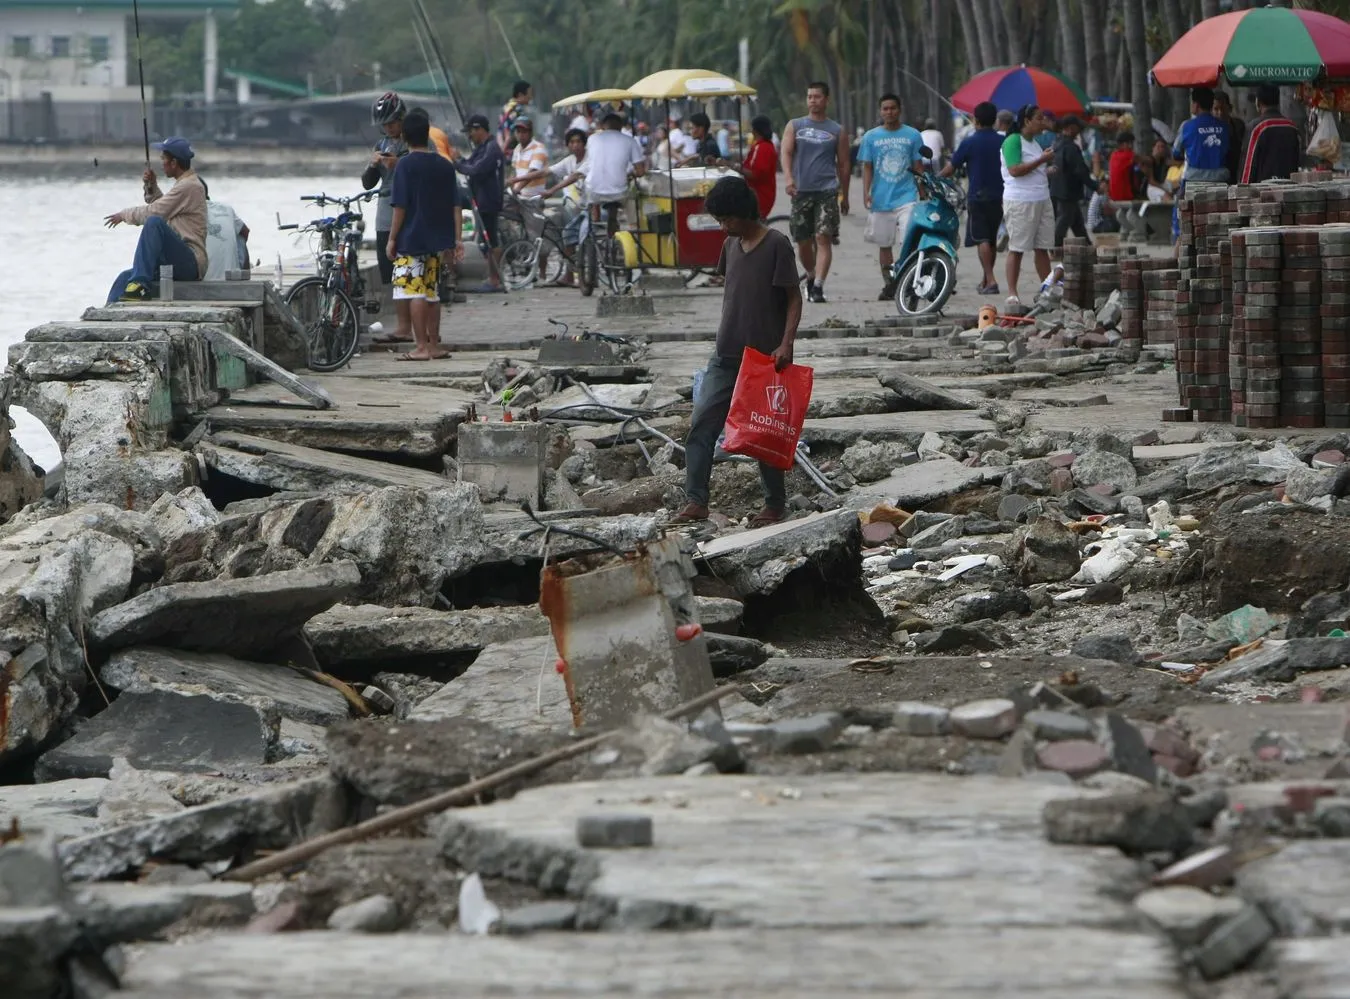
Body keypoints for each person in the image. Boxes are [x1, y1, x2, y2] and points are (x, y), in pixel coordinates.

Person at [672, 176, 801, 529]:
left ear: (744, 213)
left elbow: (793, 298)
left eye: (727, 219)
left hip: (763, 359)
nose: (724, 226)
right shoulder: (730, 246)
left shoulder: (776, 244)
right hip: (725, 355)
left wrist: (786, 342)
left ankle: (775, 503)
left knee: (764, 433)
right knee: (702, 424)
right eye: (720, 221)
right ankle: (696, 499)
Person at [385, 109, 462, 360]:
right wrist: (457, 239)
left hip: (411, 238)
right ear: (428, 134)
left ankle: (420, 347)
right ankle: (433, 345)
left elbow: (400, 207)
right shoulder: (444, 164)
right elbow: (456, 205)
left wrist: (392, 238)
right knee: (432, 292)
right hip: (437, 239)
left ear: (405, 136)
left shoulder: (405, 165)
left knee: (415, 292)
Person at [104, 136, 207, 303]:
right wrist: (151, 186)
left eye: (163, 159)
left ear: (174, 163)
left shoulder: (189, 186)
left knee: (153, 222)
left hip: (191, 263)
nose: (161, 163)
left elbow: (155, 213)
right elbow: (166, 208)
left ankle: (140, 284)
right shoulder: (185, 185)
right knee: (124, 278)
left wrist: (124, 215)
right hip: (175, 260)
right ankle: (108, 317)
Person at [781, 81, 850, 304]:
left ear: (826, 100)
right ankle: (810, 275)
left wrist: (845, 195)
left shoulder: (836, 130)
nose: (813, 101)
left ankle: (819, 285)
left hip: (827, 191)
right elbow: (787, 152)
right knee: (803, 240)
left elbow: (844, 165)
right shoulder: (795, 125)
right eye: (810, 96)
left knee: (823, 237)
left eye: (817, 97)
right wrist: (789, 178)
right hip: (801, 191)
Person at [858, 93, 925, 301]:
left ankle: (909, 281)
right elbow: (867, 167)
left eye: (893, 108)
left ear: (900, 110)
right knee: (885, 244)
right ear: (880, 111)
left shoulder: (913, 135)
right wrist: (866, 192)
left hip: (907, 198)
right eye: (885, 109)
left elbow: (918, 166)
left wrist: (923, 191)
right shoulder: (870, 137)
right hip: (881, 200)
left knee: (909, 241)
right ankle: (890, 284)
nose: (889, 112)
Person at [360, 91, 415, 341]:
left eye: (392, 123)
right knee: (389, 272)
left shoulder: (412, 143)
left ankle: (410, 325)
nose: (389, 128)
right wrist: (373, 165)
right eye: (385, 124)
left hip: (409, 214)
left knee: (411, 270)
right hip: (384, 215)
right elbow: (367, 184)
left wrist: (398, 164)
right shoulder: (381, 145)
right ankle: (400, 323)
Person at [942, 100, 1004, 295]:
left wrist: (934, 178)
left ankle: (991, 280)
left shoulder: (969, 142)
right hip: (1000, 196)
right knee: (991, 239)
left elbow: (951, 168)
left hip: (977, 196)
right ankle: (986, 279)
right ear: (994, 120)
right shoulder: (1003, 141)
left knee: (982, 239)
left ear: (975, 120)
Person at [1000, 103, 1055, 304]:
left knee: (1043, 247)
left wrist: (1045, 169)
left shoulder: (1034, 142)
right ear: (1027, 121)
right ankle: (1012, 293)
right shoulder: (1014, 140)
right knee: (1017, 247)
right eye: (1039, 118)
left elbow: (1030, 169)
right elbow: (1014, 170)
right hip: (1021, 201)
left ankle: (1047, 289)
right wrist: (1042, 161)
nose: (1044, 123)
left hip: (1041, 198)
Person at [453, 113, 508, 293]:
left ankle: (495, 279)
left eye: (471, 132)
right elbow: (470, 162)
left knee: (491, 240)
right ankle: (493, 277)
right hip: (479, 199)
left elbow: (476, 170)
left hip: (489, 201)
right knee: (486, 241)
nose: (469, 136)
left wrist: (457, 162)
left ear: (480, 130)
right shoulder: (482, 147)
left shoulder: (492, 149)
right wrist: (460, 159)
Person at [582, 113, 646, 232]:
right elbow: (641, 172)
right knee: (630, 196)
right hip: (618, 194)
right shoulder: (630, 140)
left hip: (593, 192)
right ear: (621, 126)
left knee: (592, 186)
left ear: (602, 126)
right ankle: (634, 227)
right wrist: (629, 174)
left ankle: (595, 218)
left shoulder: (592, 138)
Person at [1241, 84, 1301, 184]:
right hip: (1289, 188)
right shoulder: (1292, 127)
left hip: (1263, 191)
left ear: (1258, 102)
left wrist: (1243, 189)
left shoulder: (1256, 127)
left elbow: (1248, 166)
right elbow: (1297, 161)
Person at [1050, 114, 1093, 248]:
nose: (1079, 132)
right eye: (1077, 128)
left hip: (1059, 188)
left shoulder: (1057, 143)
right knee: (1064, 219)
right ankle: (1054, 247)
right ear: (1070, 128)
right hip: (1067, 189)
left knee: (1076, 221)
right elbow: (1080, 170)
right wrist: (1095, 186)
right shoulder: (1070, 147)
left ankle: (1087, 245)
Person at [1173, 87, 1229, 184]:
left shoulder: (1186, 126)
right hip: (1221, 179)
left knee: (1179, 197)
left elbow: (1176, 153)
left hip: (1194, 179)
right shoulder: (1225, 126)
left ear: (1196, 105)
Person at [741, 115, 778, 219]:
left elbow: (755, 174)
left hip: (759, 196)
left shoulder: (762, 148)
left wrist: (735, 167)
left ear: (755, 130)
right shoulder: (764, 146)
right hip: (760, 194)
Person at [508, 118, 549, 198]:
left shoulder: (538, 148)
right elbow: (514, 172)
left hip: (534, 198)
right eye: (518, 132)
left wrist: (517, 189)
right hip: (519, 197)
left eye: (524, 132)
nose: (520, 135)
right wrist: (510, 188)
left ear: (530, 133)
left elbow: (532, 173)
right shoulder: (517, 148)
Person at [1214, 90, 1246, 185]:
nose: (1220, 113)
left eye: (1223, 109)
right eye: (1216, 109)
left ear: (1230, 108)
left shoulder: (1239, 125)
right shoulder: (1209, 129)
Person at [498, 79, 533, 151]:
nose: (530, 97)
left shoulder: (505, 108)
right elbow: (509, 136)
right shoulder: (518, 110)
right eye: (529, 94)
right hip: (513, 152)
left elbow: (499, 132)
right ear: (520, 95)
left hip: (503, 149)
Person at [1108, 132, 1138, 202]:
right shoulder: (1127, 155)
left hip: (1114, 195)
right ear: (1125, 144)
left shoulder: (1114, 155)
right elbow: (1142, 160)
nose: (1132, 146)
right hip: (1123, 195)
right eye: (1131, 143)